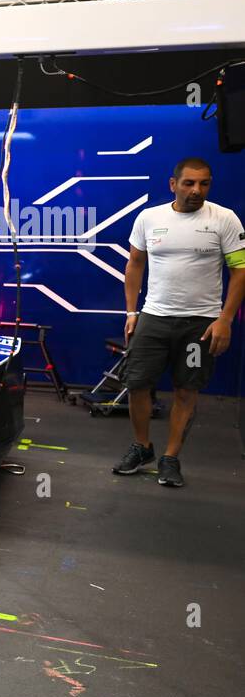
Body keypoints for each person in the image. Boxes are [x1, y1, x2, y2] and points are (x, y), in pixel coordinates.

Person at [113, 157, 245, 487]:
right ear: (173, 184)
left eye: (204, 183)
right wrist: (131, 312)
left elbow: (240, 272)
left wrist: (225, 320)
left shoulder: (224, 220)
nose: (196, 190)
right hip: (154, 319)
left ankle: (170, 458)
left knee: (186, 389)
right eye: (189, 183)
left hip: (199, 326)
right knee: (137, 383)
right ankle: (142, 447)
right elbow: (134, 264)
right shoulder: (149, 218)